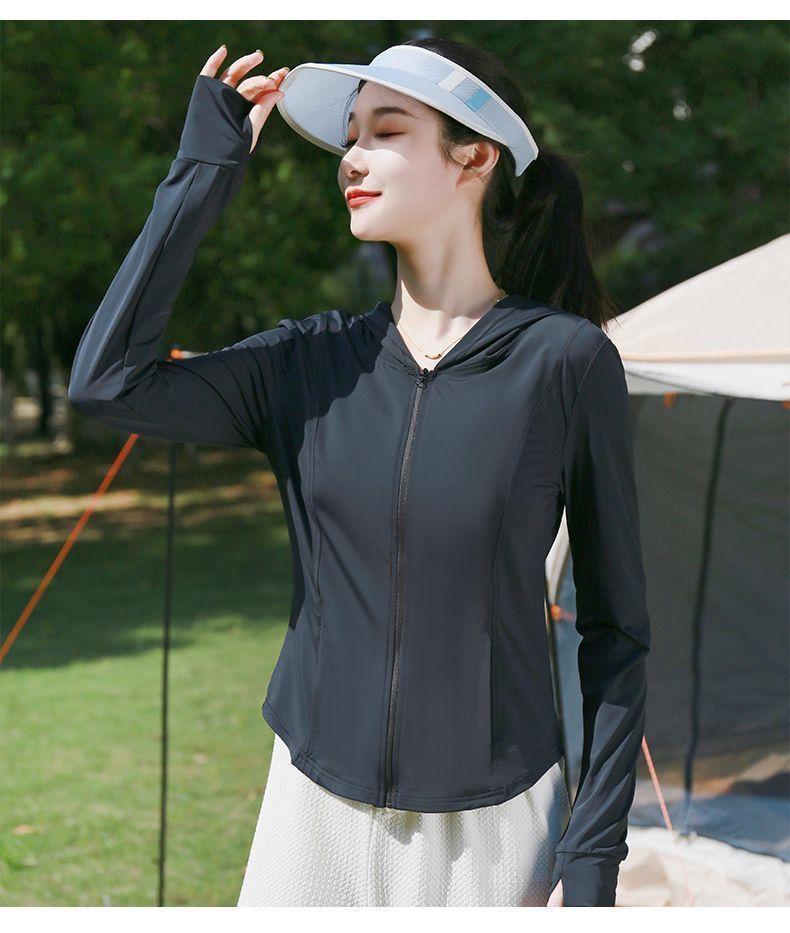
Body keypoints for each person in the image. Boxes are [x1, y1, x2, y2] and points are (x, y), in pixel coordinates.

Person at [68, 37, 651, 908]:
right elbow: (107, 382)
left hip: (492, 832)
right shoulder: (308, 364)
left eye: (387, 131)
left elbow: (615, 629)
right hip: (312, 816)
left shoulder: (564, 362)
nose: (352, 158)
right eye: (350, 137)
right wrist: (205, 169)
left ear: (474, 156)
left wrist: (592, 858)